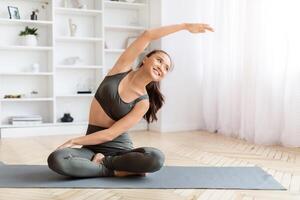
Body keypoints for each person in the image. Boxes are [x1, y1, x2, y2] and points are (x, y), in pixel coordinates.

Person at [47, 23, 214, 178]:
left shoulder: (143, 103)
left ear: (162, 76)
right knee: (57, 159)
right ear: (145, 59)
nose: (161, 67)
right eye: (159, 60)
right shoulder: (121, 68)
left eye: (166, 68)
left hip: (119, 153)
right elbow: (148, 35)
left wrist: (74, 140)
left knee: (156, 158)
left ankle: (106, 165)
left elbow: (111, 134)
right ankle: (119, 172)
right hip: (91, 148)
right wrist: (184, 26)